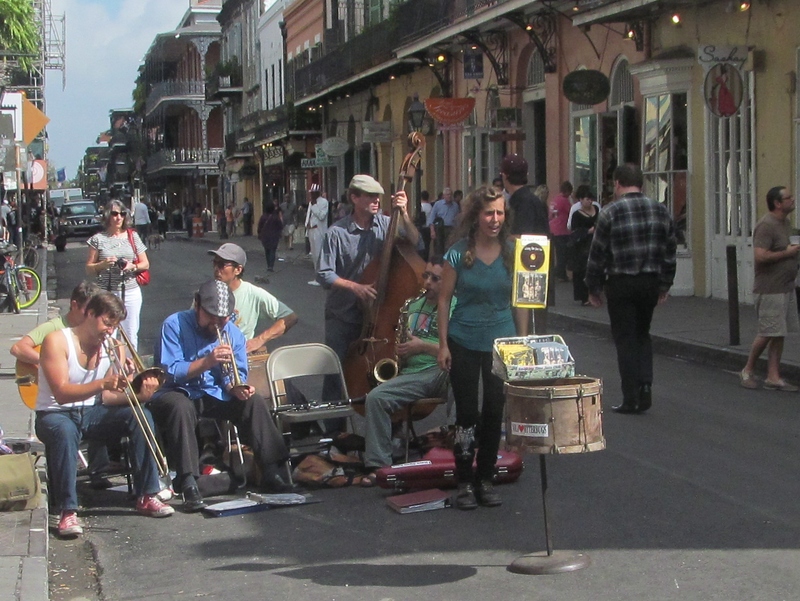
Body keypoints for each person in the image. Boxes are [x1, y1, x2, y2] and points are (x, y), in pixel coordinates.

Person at [35, 292, 173, 538]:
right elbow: (62, 393)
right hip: (55, 413)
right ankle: (67, 511)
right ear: (89, 314)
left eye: (114, 325)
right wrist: (102, 384)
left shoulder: (112, 346)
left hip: (91, 411)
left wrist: (138, 394)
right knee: (65, 432)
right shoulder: (57, 341)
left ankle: (147, 494)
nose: (109, 331)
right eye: (106, 323)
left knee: (139, 416)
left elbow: (110, 397)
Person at [148, 280, 292, 512]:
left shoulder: (232, 332)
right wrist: (207, 362)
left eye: (223, 317)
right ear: (197, 305)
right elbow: (169, 372)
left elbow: (237, 373)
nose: (216, 322)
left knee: (252, 403)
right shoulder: (174, 324)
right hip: (177, 391)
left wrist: (235, 386)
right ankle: (188, 481)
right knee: (180, 406)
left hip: (214, 393)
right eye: (211, 315)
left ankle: (271, 470)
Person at [437, 186, 517, 510]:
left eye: (499, 213)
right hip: (464, 340)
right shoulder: (457, 253)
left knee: (495, 411)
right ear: (476, 216)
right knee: (467, 413)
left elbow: (522, 303)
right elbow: (443, 300)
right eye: (489, 213)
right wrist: (443, 344)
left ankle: (486, 479)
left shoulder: (514, 252)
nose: (495, 219)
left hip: (502, 342)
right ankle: (464, 483)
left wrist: (522, 344)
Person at [317, 174, 421, 408]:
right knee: (337, 371)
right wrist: (355, 287)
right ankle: (335, 433)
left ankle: (384, 421)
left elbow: (416, 242)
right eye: (370, 196)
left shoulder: (387, 224)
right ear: (354, 198)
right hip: (343, 313)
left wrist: (403, 213)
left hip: (379, 316)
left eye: (379, 196)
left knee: (384, 370)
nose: (377, 201)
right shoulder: (336, 232)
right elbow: (324, 273)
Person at [585, 164, 677, 414]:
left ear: (617, 183)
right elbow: (670, 251)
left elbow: (598, 254)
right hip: (649, 280)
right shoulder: (660, 210)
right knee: (642, 334)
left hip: (621, 282)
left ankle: (630, 396)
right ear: (642, 184)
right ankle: (645, 384)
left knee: (625, 338)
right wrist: (665, 283)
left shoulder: (610, 212)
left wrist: (593, 287)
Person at [11, 282, 114, 488]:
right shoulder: (56, 327)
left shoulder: (97, 333)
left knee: (99, 407)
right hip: (56, 398)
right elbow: (18, 348)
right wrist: (50, 363)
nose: (89, 317)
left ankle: (99, 469)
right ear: (74, 305)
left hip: (83, 401)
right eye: (86, 310)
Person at [364, 257, 454, 471]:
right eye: (426, 276)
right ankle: (380, 465)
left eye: (435, 278)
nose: (427, 283)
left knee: (463, 377)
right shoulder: (412, 305)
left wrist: (422, 346)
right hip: (412, 374)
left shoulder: (455, 307)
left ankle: (457, 447)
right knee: (375, 398)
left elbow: (456, 350)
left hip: (440, 370)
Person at [740, 186, 800, 391]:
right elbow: (760, 256)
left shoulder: (785, 223)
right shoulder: (766, 225)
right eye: (788, 197)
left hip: (786, 287)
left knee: (779, 332)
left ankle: (773, 376)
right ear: (777, 203)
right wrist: (788, 253)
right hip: (769, 288)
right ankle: (747, 369)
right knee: (767, 331)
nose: (792, 200)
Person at [208, 243, 297, 353]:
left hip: (238, 356)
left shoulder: (252, 293)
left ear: (238, 270)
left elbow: (290, 317)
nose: (216, 269)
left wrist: (260, 340)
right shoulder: (206, 293)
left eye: (221, 264)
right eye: (215, 263)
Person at [86, 200, 149, 351]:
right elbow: (89, 268)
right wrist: (103, 264)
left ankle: (130, 370)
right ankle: (110, 370)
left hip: (130, 291)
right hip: (107, 293)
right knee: (108, 335)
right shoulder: (98, 239)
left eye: (122, 214)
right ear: (107, 216)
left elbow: (145, 263)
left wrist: (132, 266)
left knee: (131, 335)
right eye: (114, 214)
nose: (118, 217)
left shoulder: (132, 236)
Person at [502, 154, 550, 335]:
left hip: (528, 271)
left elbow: (522, 237)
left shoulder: (523, 201)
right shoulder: (528, 199)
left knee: (529, 330)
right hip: (534, 268)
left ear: (505, 176)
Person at [568, 185, 599, 305]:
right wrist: (587, 231)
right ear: (580, 200)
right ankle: (584, 297)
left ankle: (594, 294)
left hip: (595, 243)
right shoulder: (576, 214)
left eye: (591, 199)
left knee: (594, 269)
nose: (589, 201)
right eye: (587, 199)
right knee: (582, 271)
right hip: (581, 246)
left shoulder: (596, 209)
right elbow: (573, 230)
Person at [549, 181, 574, 282]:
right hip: (562, 230)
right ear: (567, 191)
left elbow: (550, 215)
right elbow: (571, 212)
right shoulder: (564, 200)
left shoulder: (555, 199)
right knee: (563, 254)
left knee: (559, 253)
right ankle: (559, 274)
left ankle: (560, 273)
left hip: (553, 228)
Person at [306, 188, 329, 286]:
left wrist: (314, 205)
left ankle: (321, 277)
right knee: (314, 255)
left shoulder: (324, 202)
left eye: (312, 193)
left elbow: (321, 216)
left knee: (319, 254)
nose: (311, 195)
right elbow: (308, 216)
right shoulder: (311, 202)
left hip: (318, 231)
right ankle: (317, 276)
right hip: (311, 230)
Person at [257, 202, 283, 272]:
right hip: (274, 236)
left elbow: (259, 226)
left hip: (265, 236)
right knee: (272, 251)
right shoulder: (275, 217)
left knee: (267, 251)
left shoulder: (263, 217)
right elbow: (280, 226)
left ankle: (268, 264)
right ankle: (271, 266)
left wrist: (259, 233)